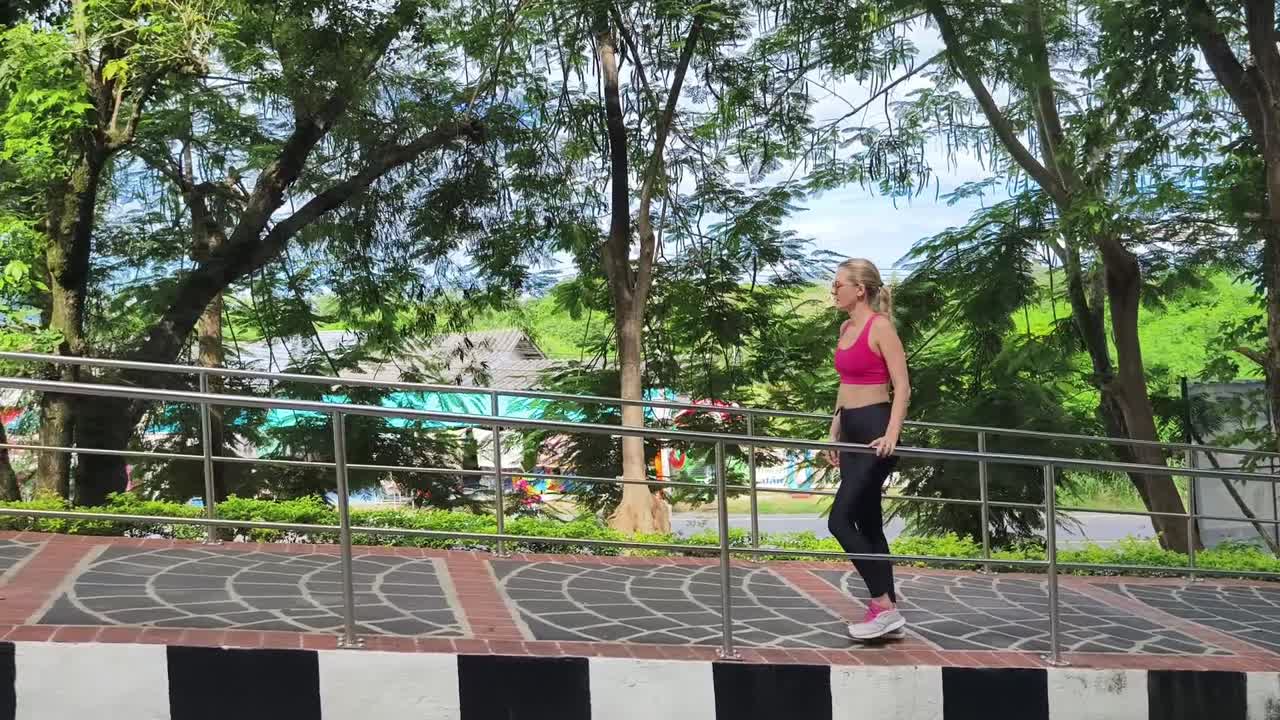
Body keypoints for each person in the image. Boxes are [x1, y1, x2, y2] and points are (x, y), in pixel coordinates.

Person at [825, 258, 911, 641]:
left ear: (860, 289)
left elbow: (903, 387)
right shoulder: (845, 328)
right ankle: (887, 610)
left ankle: (883, 606)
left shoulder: (882, 328)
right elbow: (844, 386)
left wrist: (892, 434)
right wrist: (834, 431)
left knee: (839, 521)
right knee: (870, 523)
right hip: (851, 430)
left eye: (839, 285)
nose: (834, 291)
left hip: (877, 430)